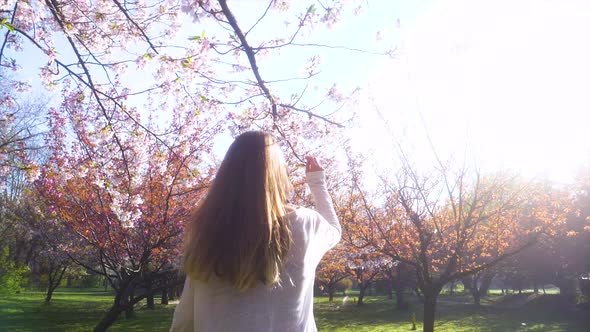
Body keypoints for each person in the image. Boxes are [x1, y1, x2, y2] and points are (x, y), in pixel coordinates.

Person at [170, 131, 340, 332]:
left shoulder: (208, 235)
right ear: (278, 174)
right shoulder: (303, 224)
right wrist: (317, 183)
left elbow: (185, 321)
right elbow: (334, 232)